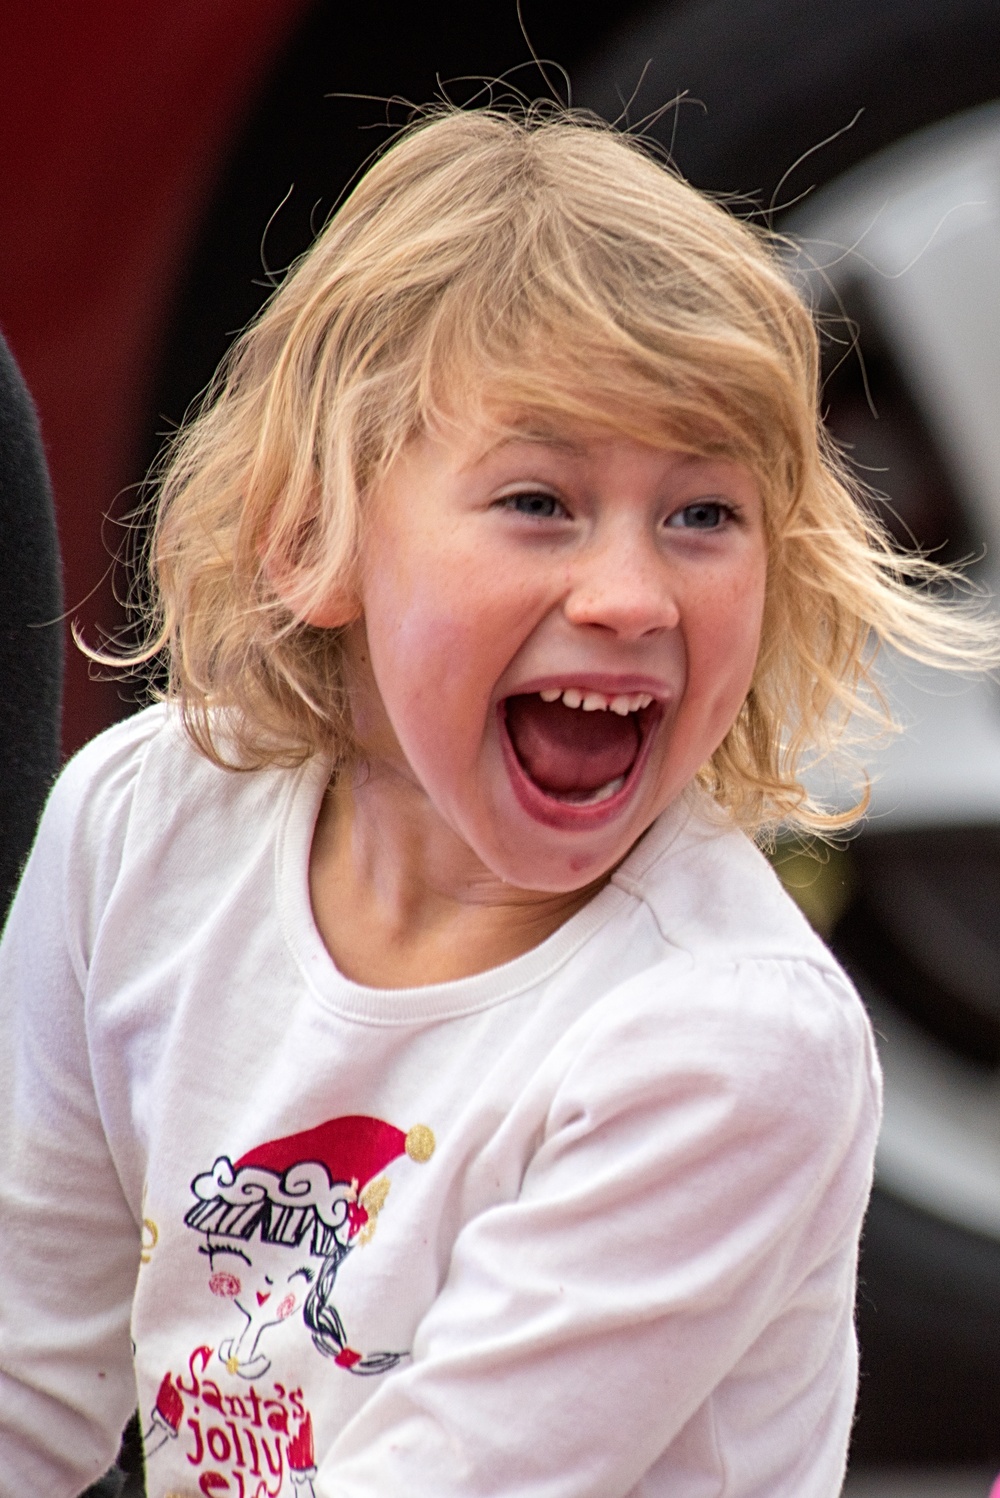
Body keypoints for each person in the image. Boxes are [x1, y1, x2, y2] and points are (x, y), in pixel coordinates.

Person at [0, 103, 994, 1498]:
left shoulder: (728, 1039)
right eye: (540, 499)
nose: (631, 595)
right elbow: (22, 1369)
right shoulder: (142, 821)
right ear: (310, 540)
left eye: (703, 514)